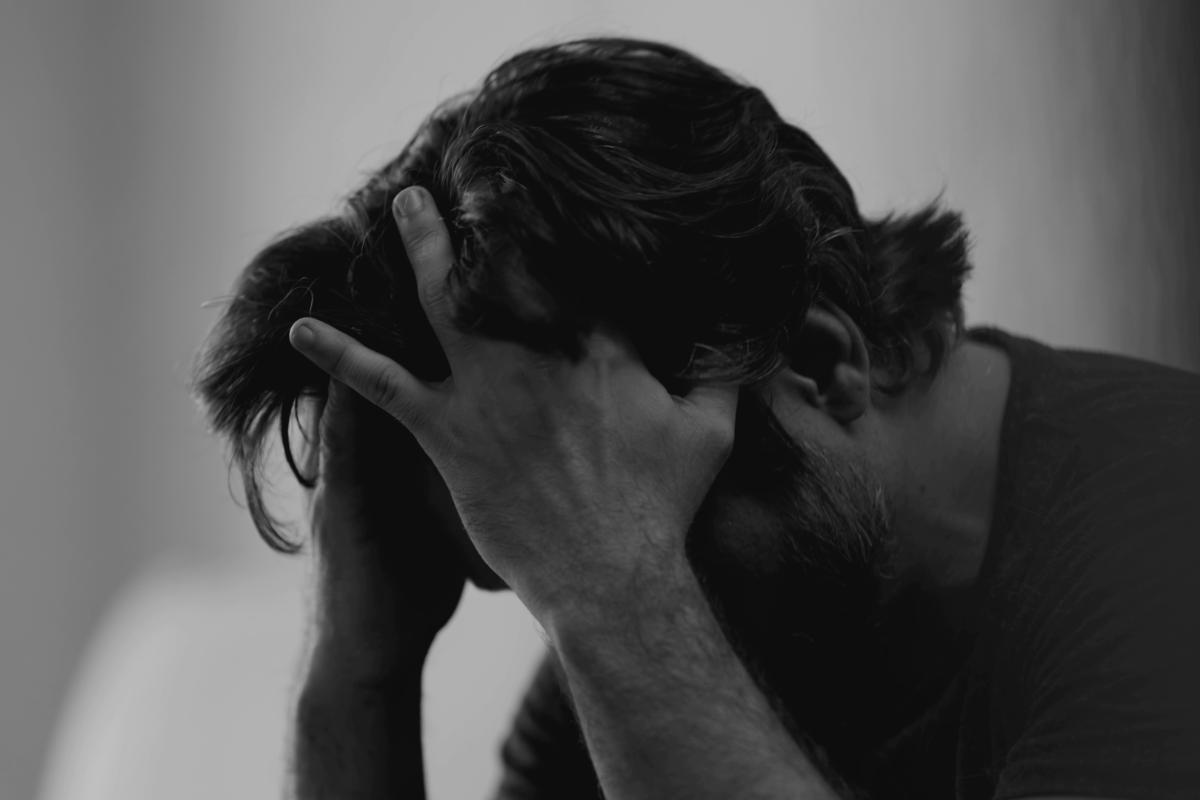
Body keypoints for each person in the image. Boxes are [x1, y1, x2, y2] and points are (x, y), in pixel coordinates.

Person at [192, 37, 1200, 800]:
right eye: (533, 546)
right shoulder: (649, 613)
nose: (565, 593)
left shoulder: (1167, 540)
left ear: (815, 358)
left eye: (602, 515)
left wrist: (616, 585)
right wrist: (357, 671)